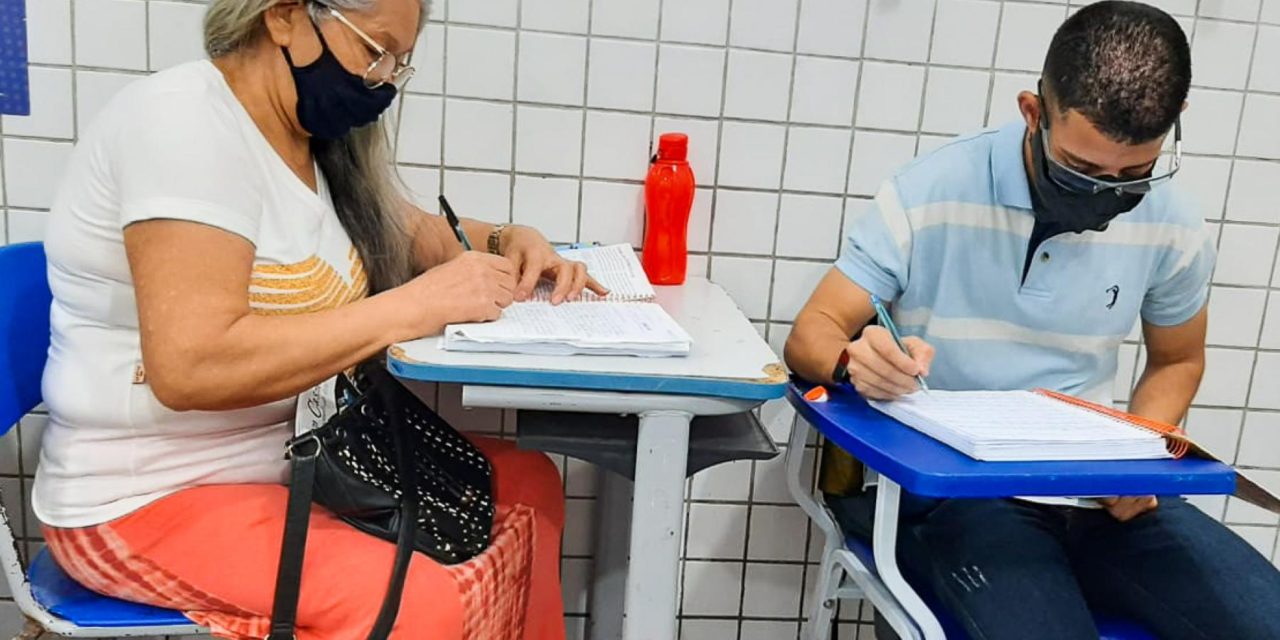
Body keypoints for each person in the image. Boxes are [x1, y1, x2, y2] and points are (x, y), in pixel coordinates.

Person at [32, 1, 596, 638]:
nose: (383, 80)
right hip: (144, 495)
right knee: (417, 606)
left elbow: (412, 234)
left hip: (294, 459)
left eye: (398, 65)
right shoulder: (182, 126)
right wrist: (412, 307)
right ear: (283, 18)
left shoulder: (309, 143)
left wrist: (508, 240)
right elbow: (191, 367)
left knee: (528, 484)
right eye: (375, 51)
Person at [784, 2, 1280, 639]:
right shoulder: (930, 190)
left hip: (1101, 497)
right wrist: (857, 361)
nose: (1106, 192)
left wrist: (1142, 451)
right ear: (1033, 112)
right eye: (1082, 169)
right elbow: (812, 333)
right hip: (960, 496)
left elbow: (1177, 359)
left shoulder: (1173, 219)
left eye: (1132, 174)